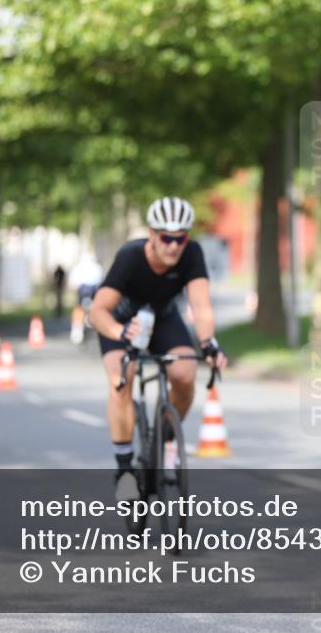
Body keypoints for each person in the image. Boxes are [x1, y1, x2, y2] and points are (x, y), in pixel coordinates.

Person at [90, 197, 227, 502]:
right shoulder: (130, 256)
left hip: (162, 318)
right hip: (121, 321)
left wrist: (207, 342)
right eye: (166, 237)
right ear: (152, 234)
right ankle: (124, 469)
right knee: (121, 379)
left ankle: (164, 441)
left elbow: (201, 305)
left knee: (185, 371)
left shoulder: (191, 254)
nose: (174, 245)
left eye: (180, 238)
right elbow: (97, 311)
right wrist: (119, 331)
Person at [67, 253, 103, 344]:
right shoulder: (97, 267)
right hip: (92, 291)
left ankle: (77, 329)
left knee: (79, 309)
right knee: (94, 308)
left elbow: (72, 284)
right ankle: (90, 322)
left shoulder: (78, 267)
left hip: (82, 291)